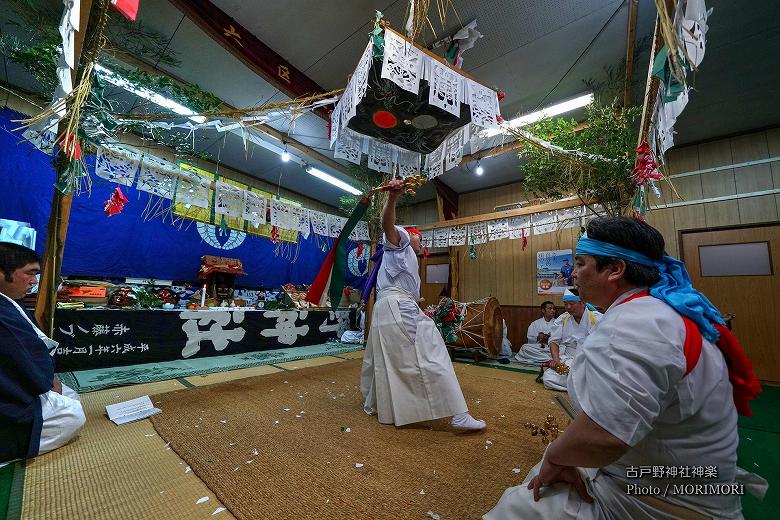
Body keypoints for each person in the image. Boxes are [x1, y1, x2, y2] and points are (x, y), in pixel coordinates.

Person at [484, 216, 765, 520]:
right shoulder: (655, 312)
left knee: (517, 509)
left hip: (656, 502)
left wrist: (555, 454)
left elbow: (605, 436)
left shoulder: (635, 323)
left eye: (580, 263)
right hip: (669, 480)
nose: (573, 274)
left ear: (615, 270)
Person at [360, 179, 485, 430]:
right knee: (433, 351)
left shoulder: (404, 259)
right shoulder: (400, 244)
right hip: (397, 307)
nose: (422, 241)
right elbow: (388, 224)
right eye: (419, 237)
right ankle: (459, 414)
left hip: (389, 308)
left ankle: (384, 406)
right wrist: (393, 198)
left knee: (393, 360)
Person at [1, 243, 86, 467]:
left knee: (70, 396)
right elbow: (19, 355)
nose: (33, 281)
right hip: (10, 398)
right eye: (30, 273)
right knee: (72, 414)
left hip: (20, 382)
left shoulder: (9, 303)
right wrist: (44, 383)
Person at [540, 289, 601, 391]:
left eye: (572, 304)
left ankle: (583, 386)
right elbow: (554, 341)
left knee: (586, 372)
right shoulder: (563, 319)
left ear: (582, 302)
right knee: (548, 378)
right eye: (565, 304)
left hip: (590, 359)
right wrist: (556, 361)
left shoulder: (597, 319)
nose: (568, 307)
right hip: (568, 358)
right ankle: (585, 388)